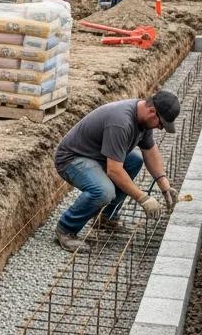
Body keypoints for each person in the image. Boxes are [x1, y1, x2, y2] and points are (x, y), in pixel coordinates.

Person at [53, 91, 181, 252]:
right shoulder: (121, 122)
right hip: (72, 159)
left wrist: (164, 184)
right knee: (104, 191)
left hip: (97, 156)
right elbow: (114, 170)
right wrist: (143, 198)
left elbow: (150, 150)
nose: (160, 128)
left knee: (135, 160)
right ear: (152, 111)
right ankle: (66, 229)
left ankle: (106, 217)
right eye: (161, 124)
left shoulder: (144, 119)